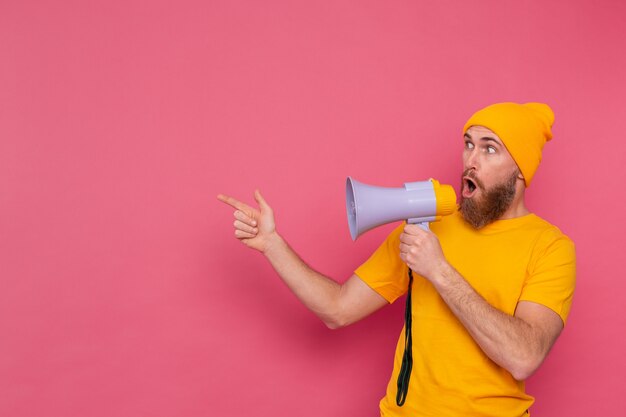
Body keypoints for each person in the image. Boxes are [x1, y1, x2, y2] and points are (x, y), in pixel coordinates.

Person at [217, 102, 576, 417]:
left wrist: (438, 270)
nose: (471, 160)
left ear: (521, 170)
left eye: (490, 149)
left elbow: (523, 357)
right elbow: (337, 308)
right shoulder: (428, 227)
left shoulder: (550, 248)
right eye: (468, 144)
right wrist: (271, 244)